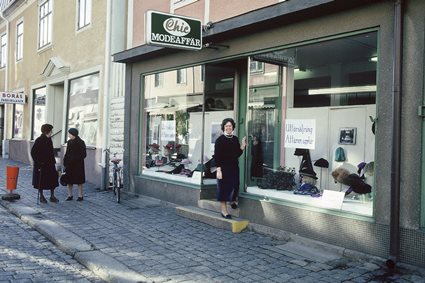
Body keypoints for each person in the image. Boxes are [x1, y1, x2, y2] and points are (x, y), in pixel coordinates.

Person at [214, 118, 247, 219]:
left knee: (235, 185)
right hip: (223, 168)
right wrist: (218, 170)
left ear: (233, 127)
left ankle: (232, 201)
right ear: (224, 127)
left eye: (230, 126)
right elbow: (217, 156)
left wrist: (242, 146)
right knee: (223, 189)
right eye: (226, 126)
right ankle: (224, 211)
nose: (228, 128)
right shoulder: (220, 140)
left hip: (233, 167)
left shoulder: (235, 139)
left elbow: (236, 154)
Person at [31, 123, 59, 203]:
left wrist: (54, 162)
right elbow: (33, 152)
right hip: (41, 165)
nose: (52, 132)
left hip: (50, 164)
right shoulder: (39, 140)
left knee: (53, 180)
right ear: (47, 131)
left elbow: (51, 152)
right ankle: (41, 196)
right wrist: (39, 162)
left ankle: (52, 196)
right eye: (51, 131)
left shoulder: (49, 139)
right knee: (41, 181)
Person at [63, 128, 87, 201]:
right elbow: (67, 153)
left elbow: (84, 154)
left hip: (78, 165)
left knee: (79, 181)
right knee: (69, 180)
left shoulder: (81, 142)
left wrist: (75, 159)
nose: (69, 135)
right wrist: (65, 161)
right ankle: (70, 195)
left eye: (69, 134)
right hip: (69, 164)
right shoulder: (69, 142)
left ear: (73, 134)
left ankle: (80, 196)